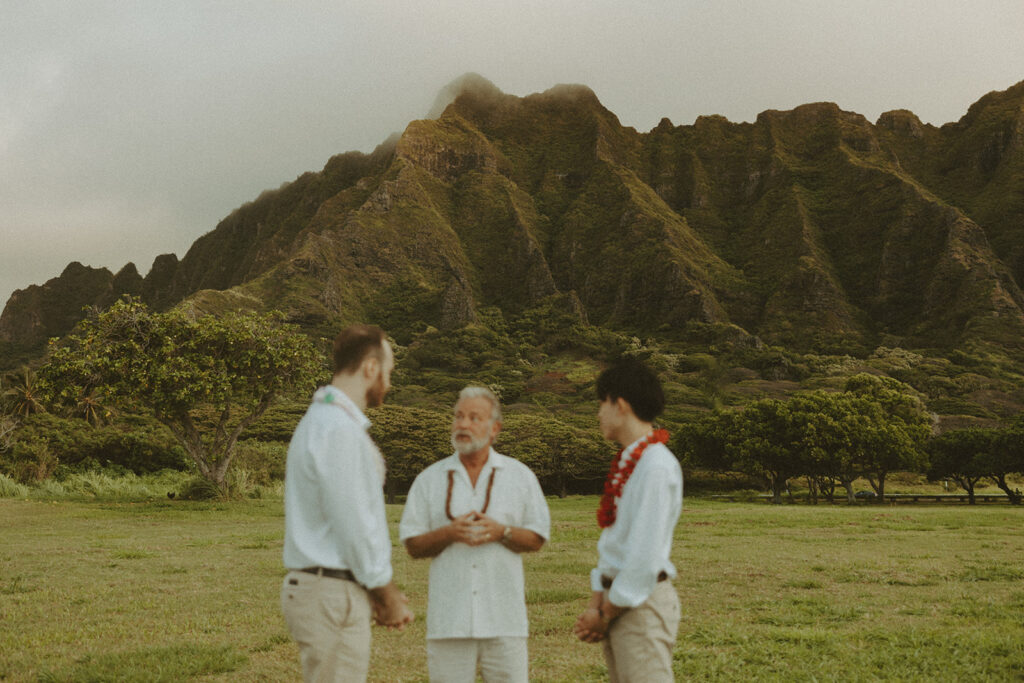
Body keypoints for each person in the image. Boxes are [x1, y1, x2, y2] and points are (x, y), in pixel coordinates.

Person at [281, 324, 413, 683]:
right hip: (330, 593)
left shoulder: (323, 419)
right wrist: (386, 594)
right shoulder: (338, 428)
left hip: (330, 589)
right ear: (370, 367)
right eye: (389, 371)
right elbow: (354, 523)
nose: (389, 380)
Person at [399, 386, 550, 682]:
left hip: (504, 619)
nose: (463, 424)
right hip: (449, 621)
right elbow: (413, 545)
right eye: (458, 416)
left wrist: (502, 531)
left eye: (474, 418)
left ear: (495, 429)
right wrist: (449, 533)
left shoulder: (520, 476)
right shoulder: (429, 479)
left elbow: (537, 538)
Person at [573, 359, 683, 683]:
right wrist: (597, 605)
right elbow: (614, 545)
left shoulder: (656, 466)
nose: (598, 414)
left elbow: (644, 558)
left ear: (619, 405)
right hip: (619, 603)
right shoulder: (629, 462)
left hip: (639, 605)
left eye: (601, 404)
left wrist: (604, 614)